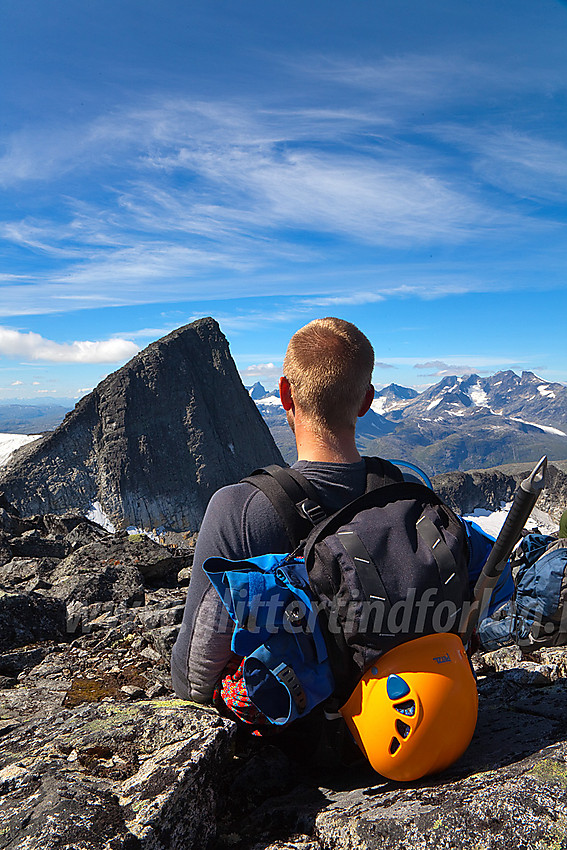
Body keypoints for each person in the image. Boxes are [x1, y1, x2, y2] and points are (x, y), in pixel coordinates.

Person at [171, 317, 381, 705]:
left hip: (306, 746)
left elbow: (191, 680)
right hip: (415, 721)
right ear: (367, 400)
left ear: (285, 394)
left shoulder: (239, 509)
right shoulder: (407, 493)